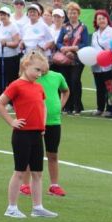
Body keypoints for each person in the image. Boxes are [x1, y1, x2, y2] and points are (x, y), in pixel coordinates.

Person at [0, 50, 57, 218]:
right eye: (37, 70)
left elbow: (42, 106)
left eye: (42, 72)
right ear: (26, 65)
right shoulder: (16, 85)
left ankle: (37, 207)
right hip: (22, 135)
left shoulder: (38, 87)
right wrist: (12, 121)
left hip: (37, 134)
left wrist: (42, 125)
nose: (39, 75)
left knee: (37, 173)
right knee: (20, 171)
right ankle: (12, 207)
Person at [19, 58, 69, 197]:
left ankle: (54, 185)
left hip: (54, 122)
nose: (41, 70)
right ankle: (25, 184)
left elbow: (65, 91)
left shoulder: (57, 76)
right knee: (32, 155)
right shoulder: (32, 78)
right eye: (38, 67)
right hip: (35, 121)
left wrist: (60, 105)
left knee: (53, 154)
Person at [55, 2, 90, 115]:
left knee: (75, 81)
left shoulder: (83, 27)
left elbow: (85, 43)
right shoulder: (65, 27)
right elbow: (58, 42)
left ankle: (77, 106)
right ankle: (67, 106)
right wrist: (64, 49)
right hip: (65, 59)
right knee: (66, 82)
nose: (72, 15)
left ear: (78, 14)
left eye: (74, 13)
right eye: (70, 12)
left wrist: (75, 48)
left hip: (77, 59)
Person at [90, 10, 112, 116]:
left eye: (103, 18)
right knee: (99, 87)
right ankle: (100, 108)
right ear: (96, 21)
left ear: (107, 19)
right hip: (96, 65)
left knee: (110, 88)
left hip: (108, 64)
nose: (101, 20)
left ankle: (110, 108)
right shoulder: (95, 34)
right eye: (99, 19)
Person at [0, 6, 22, 96]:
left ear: (8, 15)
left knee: (11, 79)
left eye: (4, 15)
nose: (2, 17)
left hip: (10, 57)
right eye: (1, 14)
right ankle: (0, 98)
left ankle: (10, 101)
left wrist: (6, 44)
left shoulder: (13, 26)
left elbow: (16, 43)